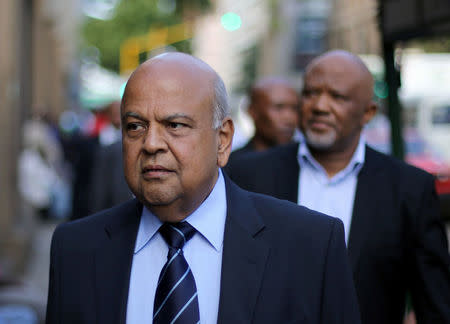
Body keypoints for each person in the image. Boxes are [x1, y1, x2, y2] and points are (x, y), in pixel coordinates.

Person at [46, 52, 360, 324]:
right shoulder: (75, 250)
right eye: (135, 126)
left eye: (175, 125)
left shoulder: (310, 246)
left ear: (223, 140)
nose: (152, 144)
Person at [225, 50, 450, 324]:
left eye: (337, 97)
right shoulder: (248, 175)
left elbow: (435, 304)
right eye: (310, 93)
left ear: (368, 112)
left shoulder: (409, 189)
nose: (320, 105)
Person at [231, 77, 299, 160]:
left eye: (295, 108)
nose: (289, 118)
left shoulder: (306, 161)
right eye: (279, 108)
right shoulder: (231, 165)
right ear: (252, 111)